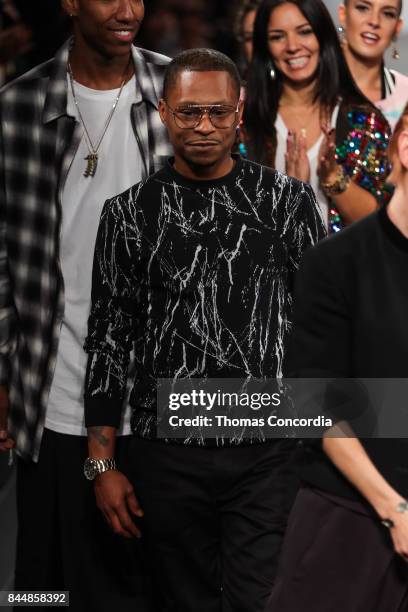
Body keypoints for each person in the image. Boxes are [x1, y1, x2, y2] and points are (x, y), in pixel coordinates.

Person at [83, 48, 326, 612]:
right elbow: (109, 340)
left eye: (218, 112)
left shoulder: (287, 203)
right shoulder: (126, 215)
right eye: (190, 112)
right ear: (164, 113)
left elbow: (317, 327)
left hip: (269, 444)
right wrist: (102, 465)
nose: (204, 126)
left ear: (239, 112)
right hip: (166, 448)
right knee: (179, 600)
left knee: (263, 599)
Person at [0, 0, 172, 610]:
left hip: (156, 395)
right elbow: (5, 253)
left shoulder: (179, 93)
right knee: (41, 586)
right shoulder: (19, 106)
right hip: (52, 383)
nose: (128, 9)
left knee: (138, 583)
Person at [266, 103, 408, 611]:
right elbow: (315, 402)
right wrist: (393, 509)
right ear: (405, 147)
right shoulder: (337, 263)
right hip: (347, 516)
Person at [242, 0, 391, 233]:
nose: (292, 46)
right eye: (278, 37)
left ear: (323, 36)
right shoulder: (243, 122)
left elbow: (380, 224)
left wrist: (332, 177)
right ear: (266, 48)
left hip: (342, 268)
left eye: (304, 31)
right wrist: (291, 192)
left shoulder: (364, 122)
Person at [339, 0, 408, 130]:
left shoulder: (405, 96)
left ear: (397, 28)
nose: (374, 21)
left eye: (387, 14)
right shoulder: (312, 86)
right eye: (363, 8)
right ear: (343, 14)